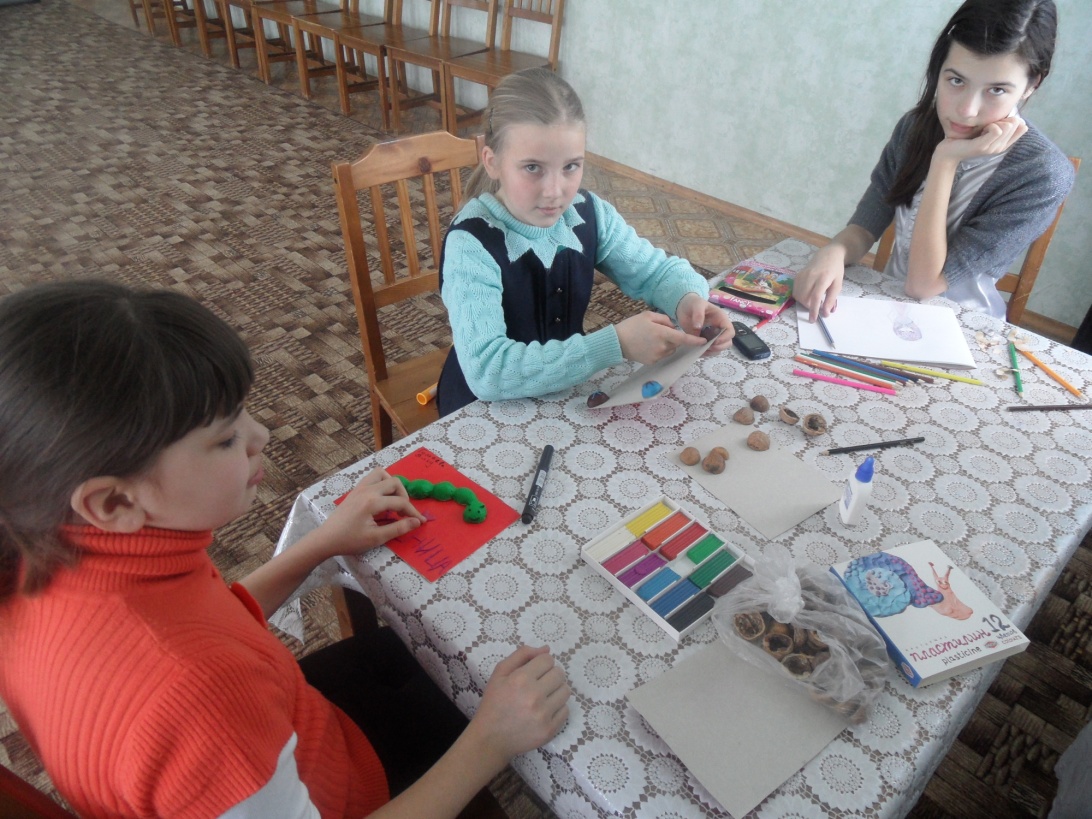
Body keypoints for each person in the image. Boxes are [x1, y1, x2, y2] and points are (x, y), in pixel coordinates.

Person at [0, 281, 570, 819]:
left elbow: (208, 623)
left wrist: (320, 544)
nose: (261, 436)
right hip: (347, 794)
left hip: (299, 733)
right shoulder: (196, 703)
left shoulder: (43, 550)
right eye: (226, 438)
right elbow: (194, 680)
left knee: (442, 649)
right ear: (112, 501)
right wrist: (491, 740)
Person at [436, 67, 734, 417]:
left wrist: (688, 300)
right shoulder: (471, 244)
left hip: (565, 389)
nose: (555, 191)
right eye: (532, 168)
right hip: (484, 408)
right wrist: (613, 344)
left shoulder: (588, 214)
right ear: (492, 162)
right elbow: (488, 372)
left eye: (570, 167)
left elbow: (656, 272)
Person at [794, 0, 1075, 322]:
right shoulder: (915, 127)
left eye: (996, 90)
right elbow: (865, 225)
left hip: (964, 325)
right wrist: (835, 250)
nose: (966, 110)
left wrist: (944, 161)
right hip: (885, 304)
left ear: (1032, 84)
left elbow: (924, 285)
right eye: (956, 81)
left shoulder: (1041, 174)